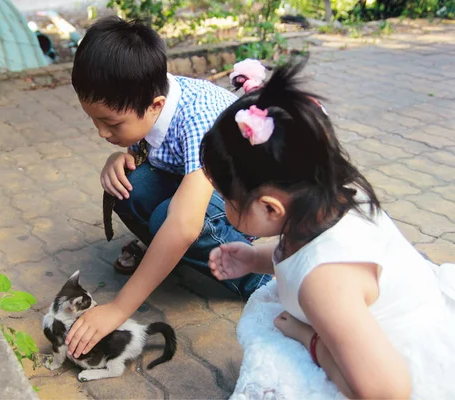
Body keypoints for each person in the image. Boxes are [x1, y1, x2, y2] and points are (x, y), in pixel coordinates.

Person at [202, 57, 455, 399]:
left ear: (269, 208)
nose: (221, 205)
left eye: (226, 199)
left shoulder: (324, 284)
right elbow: (303, 256)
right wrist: (255, 260)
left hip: (400, 370)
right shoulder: (334, 196)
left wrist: (311, 339)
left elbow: (386, 392)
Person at [64, 17, 272, 358]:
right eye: (93, 120)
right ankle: (168, 256)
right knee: (127, 184)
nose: (100, 132)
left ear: (155, 105)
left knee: (172, 222)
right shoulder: (146, 92)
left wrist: (119, 309)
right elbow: (151, 148)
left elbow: (185, 223)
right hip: (205, 187)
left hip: (247, 203)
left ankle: (261, 279)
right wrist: (119, 157)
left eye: (110, 123)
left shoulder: (198, 118)